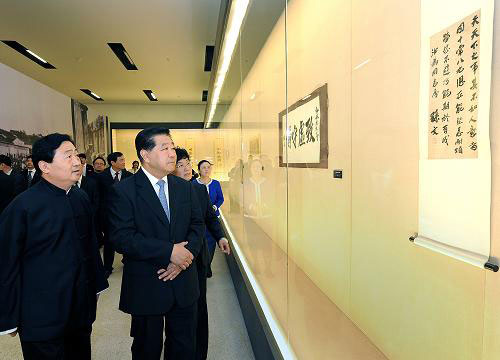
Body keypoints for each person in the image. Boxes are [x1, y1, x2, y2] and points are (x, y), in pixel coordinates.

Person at [0, 133, 108, 360]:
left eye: (76, 155)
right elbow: (6, 263)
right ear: (44, 166)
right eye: (68, 156)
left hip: (79, 309)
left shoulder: (80, 197)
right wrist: (8, 316)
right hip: (41, 315)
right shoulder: (22, 207)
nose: (77, 161)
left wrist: (96, 285)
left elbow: (89, 246)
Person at [108, 127, 204, 360]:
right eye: (165, 148)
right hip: (147, 282)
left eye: (172, 147)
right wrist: (169, 252)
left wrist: (182, 259)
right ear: (145, 155)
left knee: (184, 346)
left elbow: (197, 226)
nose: (172, 154)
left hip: (183, 280)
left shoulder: (185, 187)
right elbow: (123, 237)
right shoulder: (124, 191)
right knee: (146, 347)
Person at [168, 147, 230, 360]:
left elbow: (210, 218)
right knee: (178, 314)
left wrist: (220, 236)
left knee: (199, 309)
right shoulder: (166, 193)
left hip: (198, 258)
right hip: (173, 261)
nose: (186, 169)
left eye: (187, 164)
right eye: (180, 165)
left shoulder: (197, 189)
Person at [95, 151, 132, 278]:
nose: (124, 162)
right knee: (109, 241)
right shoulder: (101, 177)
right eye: (121, 160)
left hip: (125, 215)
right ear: (112, 162)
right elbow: (98, 198)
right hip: (107, 215)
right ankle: (107, 267)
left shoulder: (128, 176)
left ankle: (127, 260)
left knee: (127, 237)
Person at [196, 160, 225, 277]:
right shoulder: (194, 184)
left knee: (211, 243)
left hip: (213, 219)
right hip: (199, 219)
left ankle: (207, 264)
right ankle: (204, 266)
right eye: (204, 167)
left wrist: (215, 206)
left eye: (208, 167)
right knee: (201, 243)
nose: (206, 169)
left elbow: (221, 198)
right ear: (199, 170)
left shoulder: (216, 183)